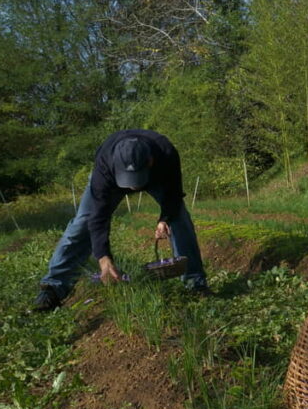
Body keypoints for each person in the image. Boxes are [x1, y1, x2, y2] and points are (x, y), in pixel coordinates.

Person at [33, 129, 211, 311]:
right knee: (82, 222)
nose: (133, 186)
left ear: (150, 162)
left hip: (156, 178)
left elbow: (173, 195)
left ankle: (195, 283)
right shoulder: (105, 164)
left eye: (136, 179)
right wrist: (103, 257)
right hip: (111, 180)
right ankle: (53, 288)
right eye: (129, 180)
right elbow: (98, 216)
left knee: (179, 218)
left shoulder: (166, 153)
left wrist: (164, 219)